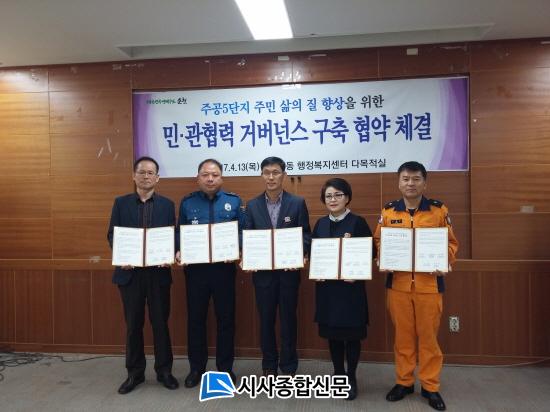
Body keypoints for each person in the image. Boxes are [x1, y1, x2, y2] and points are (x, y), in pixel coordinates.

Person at [374, 161, 458, 411]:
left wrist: (444, 261)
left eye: (416, 179)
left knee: (429, 339)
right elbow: (379, 240)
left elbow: (451, 243)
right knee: (403, 338)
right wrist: (383, 257)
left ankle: (430, 386)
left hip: (429, 286)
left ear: (425, 183)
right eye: (406, 179)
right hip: (398, 285)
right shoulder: (389, 211)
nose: (410, 183)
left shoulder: (438, 210)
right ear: (399, 182)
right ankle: (404, 382)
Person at [107, 156, 178, 394]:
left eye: (150, 173)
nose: (146, 176)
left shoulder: (167, 205)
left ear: (157, 178)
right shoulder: (121, 203)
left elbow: (172, 236)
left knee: (160, 324)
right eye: (142, 172)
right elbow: (112, 235)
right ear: (134, 176)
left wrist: (170, 253)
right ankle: (134, 374)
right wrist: (122, 255)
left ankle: (164, 371)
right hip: (130, 275)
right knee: (133, 325)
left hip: (158, 274)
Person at [176, 159, 243, 388]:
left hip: (224, 270)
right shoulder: (187, 203)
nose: (210, 179)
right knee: (196, 320)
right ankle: (197, 368)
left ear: (221, 177)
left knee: (226, 320)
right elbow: (180, 233)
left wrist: (238, 249)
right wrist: (179, 250)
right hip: (196, 271)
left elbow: (242, 232)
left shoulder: (234, 201)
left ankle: (225, 368)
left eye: (214, 175)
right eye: (205, 175)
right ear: (198, 178)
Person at [244, 156, 311, 377]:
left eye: (275, 172)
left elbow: (306, 235)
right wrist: (248, 256)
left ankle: (289, 365)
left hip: (288, 274)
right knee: (266, 321)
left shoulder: (297, 203)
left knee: (288, 320)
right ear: (262, 175)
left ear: (284, 175)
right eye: (266, 173)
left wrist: (299, 253)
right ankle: (269, 364)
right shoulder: (252, 205)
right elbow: (248, 236)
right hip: (263, 276)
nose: (271, 177)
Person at [311, 178, 372, 401]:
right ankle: (338, 375)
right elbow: (315, 253)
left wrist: (357, 272)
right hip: (328, 291)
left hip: (350, 291)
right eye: (328, 196)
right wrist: (315, 268)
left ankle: (351, 377)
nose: (333, 199)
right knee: (333, 336)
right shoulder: (320, 224)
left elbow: (370, 252)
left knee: (352, 336)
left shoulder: (358, 222)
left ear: (347, 198)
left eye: (338, 195)